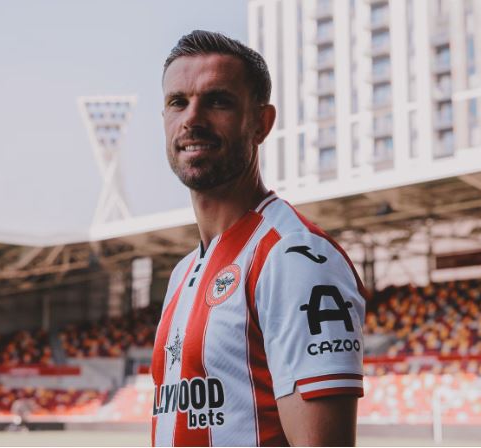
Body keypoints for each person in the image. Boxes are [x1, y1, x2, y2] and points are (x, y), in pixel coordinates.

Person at [151, 30, 368, 447]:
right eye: (178, 102)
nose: (192, 118)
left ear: (261, 124)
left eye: (217, 101)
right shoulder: (183, 272)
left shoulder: (293, 257)